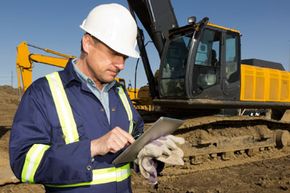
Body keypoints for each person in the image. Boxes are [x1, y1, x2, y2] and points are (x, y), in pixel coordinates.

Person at [9, 3, 184, 193]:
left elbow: (133, 140)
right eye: (114, 53)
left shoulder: (119, 93)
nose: (120, 65)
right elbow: (23, 163)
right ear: (87, 43)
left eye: (124, 57)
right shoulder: (43, 92)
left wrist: (146, 154)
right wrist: (92, 147)